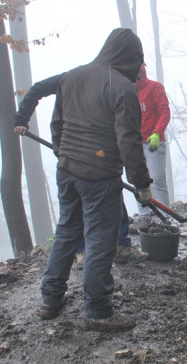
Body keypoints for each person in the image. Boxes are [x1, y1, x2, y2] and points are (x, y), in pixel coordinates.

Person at [36, 27, 152, 332]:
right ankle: (98, 311)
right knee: (100, 241)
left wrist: (67, 156)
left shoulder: (72, 76)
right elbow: (129, 141)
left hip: (67, 170)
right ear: (131, 58)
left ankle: (50, 298)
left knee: (67, 232)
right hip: (99, 178)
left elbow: (57, 125)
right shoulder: (122, 87)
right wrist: (142, 184)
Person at [14, 75, 147, 263]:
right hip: (74, 154)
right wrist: (21, 118)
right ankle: (82, 250)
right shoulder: (76, 78)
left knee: (115, 197)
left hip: (103, 157)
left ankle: (121, 245)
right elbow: (38, 88)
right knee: (78, 207)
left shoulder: (112, 82)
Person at [130, 64, 171, 231]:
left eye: (138, 72)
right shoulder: (127, 91)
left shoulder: (155, 87)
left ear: (143, 71)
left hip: (155, 141)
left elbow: (164, 112)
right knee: (138, 180)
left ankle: (166, 217)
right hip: (134, 143)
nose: (137, 76)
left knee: (157, 178)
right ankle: (144, 217)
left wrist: (157, 132)